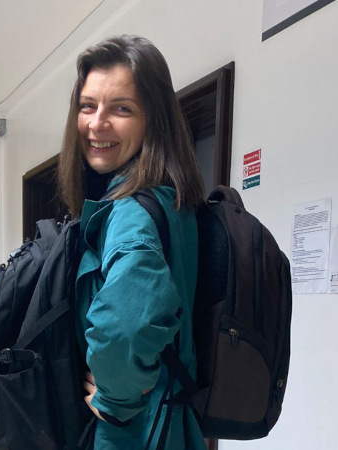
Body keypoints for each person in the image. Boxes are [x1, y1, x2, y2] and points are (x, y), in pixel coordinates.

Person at [58, 35, 205, 450]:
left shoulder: (129, 212)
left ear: (154, 119)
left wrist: (114, 400)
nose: (96, 123)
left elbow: (127, 321)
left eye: (121, 108)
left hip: (133, 430)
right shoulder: (171, 200)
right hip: (173, 419)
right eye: (87, 106)